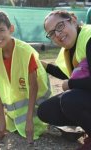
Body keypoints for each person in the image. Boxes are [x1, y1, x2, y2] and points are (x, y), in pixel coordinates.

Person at [0, 10, 52, 144]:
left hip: (38, 109)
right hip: (15, 116)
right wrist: (1, 120)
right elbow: (0, 87)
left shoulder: (25, 52)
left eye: (1, 30)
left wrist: (29, 121)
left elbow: (34, 86)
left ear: (11, 29)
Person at [37, 10, 91, 150]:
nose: (58, 34)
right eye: (52, 33)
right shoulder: (69, 48)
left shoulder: (89, 37)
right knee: (45, 110)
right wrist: (43, 65)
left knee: (70, 99)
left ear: (73, 20)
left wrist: (70, 84)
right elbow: (66, 72)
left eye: (60, 26)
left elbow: (71, 81)